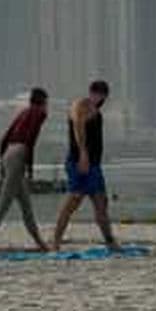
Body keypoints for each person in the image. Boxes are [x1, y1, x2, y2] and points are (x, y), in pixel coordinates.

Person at [0, 87, 51, 255]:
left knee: (26, 206)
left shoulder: (23, 112)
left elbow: (5, 137)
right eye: (47, 102)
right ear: (43, 102)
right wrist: (29, 166)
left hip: (8, 153)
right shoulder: (39, 114)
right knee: (3, 204)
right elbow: (30, 140)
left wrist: (2, 163)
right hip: (19, 154)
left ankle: (40, 244)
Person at [53, 80, 117, 251]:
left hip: (94, 165)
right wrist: (83, 154)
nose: (102, 99)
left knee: (101, 202)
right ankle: (55, 242)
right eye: (100, 95)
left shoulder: (95, 110)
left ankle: (110, 241)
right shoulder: (82, 105)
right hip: (80, 162)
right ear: (96, 94)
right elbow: (78, 125)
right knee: (73, 200)